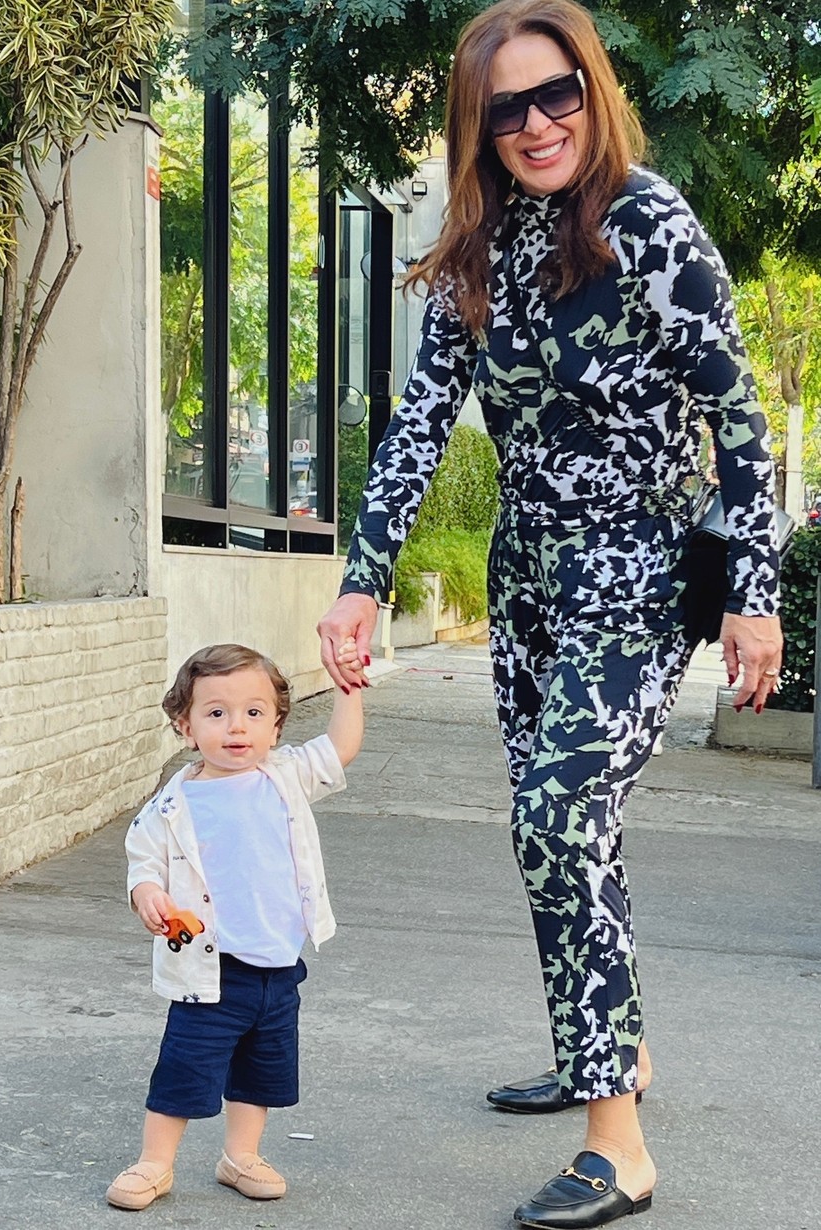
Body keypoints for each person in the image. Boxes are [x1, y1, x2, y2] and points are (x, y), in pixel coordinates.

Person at [317, 1, 783, 1225]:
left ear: (594, 89)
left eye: (556, 94)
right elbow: (420, 424)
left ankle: (617, 1145)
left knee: (556, 813)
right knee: (565, 835)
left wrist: (755, 597)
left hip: (634, 571)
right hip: (529, 582)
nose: (536, 125)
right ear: (480, 126)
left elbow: (737, 421)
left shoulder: (649, 221)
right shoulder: (477, 245)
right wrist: (362, 579)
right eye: (507, 107)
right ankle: (609, 1053)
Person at [107, 641, 365, 1211]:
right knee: (184, 1068)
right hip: (210, 970)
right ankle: (155, 1163)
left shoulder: (286, 776)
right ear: (185, 724)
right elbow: (142, 861)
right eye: (216, 712)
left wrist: (347, 687)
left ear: (275, 726)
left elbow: (341, 747)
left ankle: (240, 1156)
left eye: (254, 713)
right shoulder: (173, 804)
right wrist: (147, 892)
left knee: (261, 1073)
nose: (236, 727)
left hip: (278, 968)